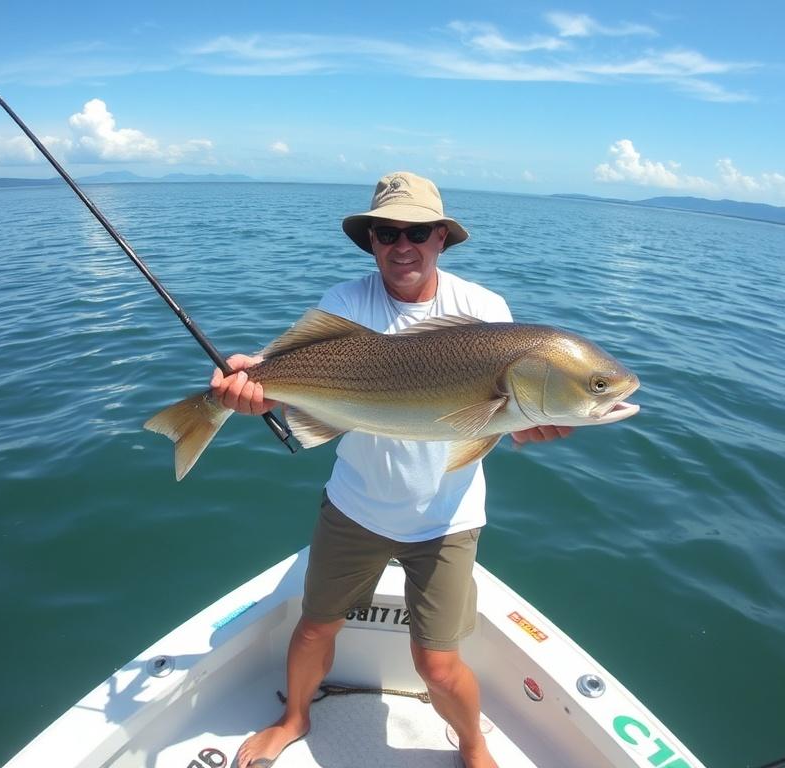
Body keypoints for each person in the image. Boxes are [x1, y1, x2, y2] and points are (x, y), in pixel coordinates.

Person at [213, 172, 572, 768]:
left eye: (419, 231)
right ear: (371, 240)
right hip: (355, 506)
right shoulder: (346, 302)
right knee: (311, 629)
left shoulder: (484, 310)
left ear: (442, 239)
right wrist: (255, 379)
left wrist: (521, 422)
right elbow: (285, 366)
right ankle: (295, 715)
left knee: (438, 662)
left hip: (447, 519)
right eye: (387, 232)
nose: (403, 245)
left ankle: (476, 746)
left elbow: (493, 416)